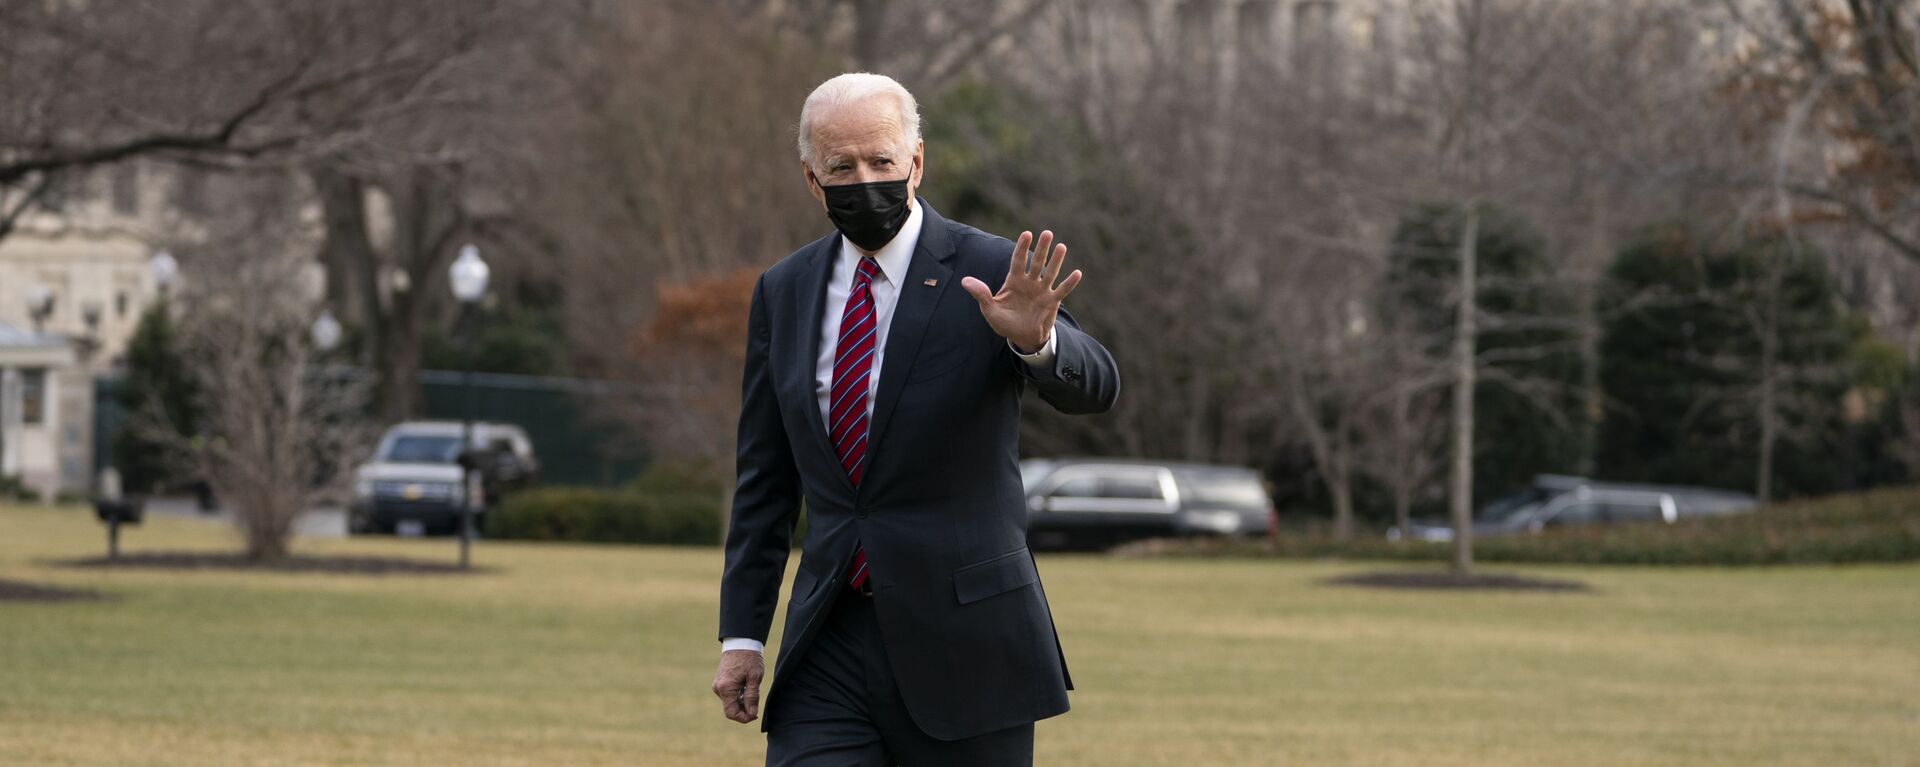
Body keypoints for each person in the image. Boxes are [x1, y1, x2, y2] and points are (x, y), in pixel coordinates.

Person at [711, 72, 1121, 766]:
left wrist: (1036, 342)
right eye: (841, 166)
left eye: (881, 161)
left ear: (917, 162)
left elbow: (1097, 387)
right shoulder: (784, 291)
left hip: (969, 643)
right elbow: (765, 478)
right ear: (812, 179)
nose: (863, 178)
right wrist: (743, 636)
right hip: (828, 642)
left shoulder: (993, 269)